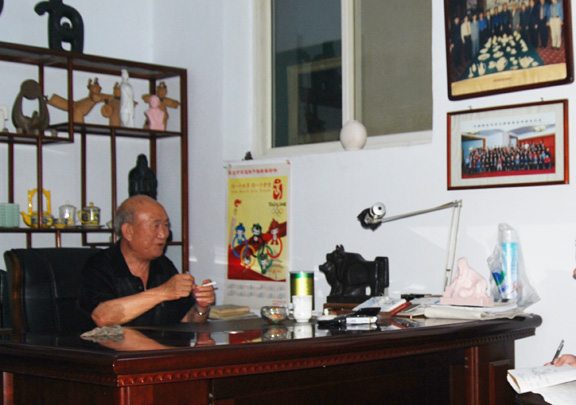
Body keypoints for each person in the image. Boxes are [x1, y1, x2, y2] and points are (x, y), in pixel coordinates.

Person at [79, 195, 215, 327]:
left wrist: (201, 306)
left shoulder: (163, 265)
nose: (164, 234)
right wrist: (164, 292)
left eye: (166, 225)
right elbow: (102, 318)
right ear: (128, 231)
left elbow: (186, 321)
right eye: (155, 226)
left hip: (160, 343)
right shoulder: (99, 265)